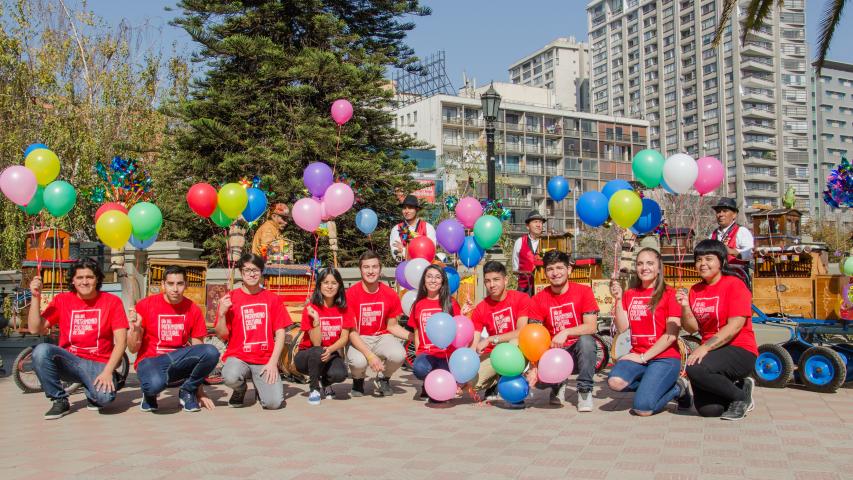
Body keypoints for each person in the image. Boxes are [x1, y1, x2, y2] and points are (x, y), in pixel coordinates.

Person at [27, 258, 128, 420]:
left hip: (98, 364)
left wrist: (108, 372)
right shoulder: (62, 300)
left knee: (104, 399)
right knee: (41, 351)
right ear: (73, 281)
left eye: (90, 277)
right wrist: (35, 297)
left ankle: (99, 385)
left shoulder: (112, 302)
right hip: (70, 361)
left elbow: (121, 341)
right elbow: (34, 328)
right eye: (80, 278)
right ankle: (59, 399)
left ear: (97, 279)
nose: (85, 282)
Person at [676, 239, 758, 421]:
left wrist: (705, 347)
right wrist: (685, 307)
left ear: (721, 261)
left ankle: (741, 397)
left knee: (694, 368)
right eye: (698, 259)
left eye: (709, 258)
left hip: (739, 348)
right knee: (710, 410)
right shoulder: (695, 290)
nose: (702, 263)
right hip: (713, 354)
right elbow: (692, 328)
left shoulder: (735, 284)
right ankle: (739, 386)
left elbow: (735, 325)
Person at [608, 248, 692, 416]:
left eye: (650, 263)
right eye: (640, 264)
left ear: (659, 268)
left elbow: (671, 336)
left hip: (665, 358)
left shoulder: (670, 294)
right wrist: (618, 299)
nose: (644, 268)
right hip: (639, 355)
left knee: (642, 408)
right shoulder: (630, 294)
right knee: (615, 382)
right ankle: (653, 384)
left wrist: (642, 357)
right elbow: (623, 327)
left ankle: (678, 389)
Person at [128, 265, 220, 413]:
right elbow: (132, 349)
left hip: (178, 361)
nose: (175, 289)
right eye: (170, 284)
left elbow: (199, 350)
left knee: (211, 352)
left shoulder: (193, 309)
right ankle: (149, 394)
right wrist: (135, 329)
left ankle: (187, 391)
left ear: (186, 285)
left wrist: (200, 392)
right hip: (151, 361)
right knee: (154, 384)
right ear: (163, 284)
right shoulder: (145, 305)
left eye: (180, 283)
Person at [527, 250, 599, 412]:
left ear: (569, 270)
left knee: (587, 340)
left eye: (560, 268)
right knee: (538, 381)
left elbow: (591, 326)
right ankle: (557, 384)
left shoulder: (584, 292)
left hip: (577, 350)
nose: (555, 273)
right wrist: (534, 367)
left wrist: (566, 332)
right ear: (545, 273)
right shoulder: (538, 299)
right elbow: (534, 336)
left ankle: (584, 391)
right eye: (550, 269)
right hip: (553, 352)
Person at [215, 254, 288, 410]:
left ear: (261, 272)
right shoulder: (231, 298)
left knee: (273, 403)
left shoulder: (273, 299)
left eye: (255, 270)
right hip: (239, 356)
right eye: (247, 270)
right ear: (241, 273)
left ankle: (260, 385)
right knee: (230, 376)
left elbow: (280, 333)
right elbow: (222, 334)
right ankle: (240, 389)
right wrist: (221, 313)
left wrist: (273, 363)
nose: (251, 274)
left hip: (264, 359)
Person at [346, 251, 408, 397]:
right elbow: (351, 332)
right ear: (360, 269)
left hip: (381, 337)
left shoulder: (390, 294)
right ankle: (358, 380)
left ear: (380, 269)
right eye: (366, 267)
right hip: (358, 337)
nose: (371, 271)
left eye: (374, 267)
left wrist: (414, 336)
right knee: (358, 362)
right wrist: (370, 356)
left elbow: (392, 326)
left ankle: (383, 378)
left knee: (399, 354)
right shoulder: (351, 294)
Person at [470, 261, 531, 408]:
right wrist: (466, 371)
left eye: (496, 279)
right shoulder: (481, 308)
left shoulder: (521, 298)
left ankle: (513, 385)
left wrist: (491, 339)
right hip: (495, 355)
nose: (492, 285)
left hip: (518, 350)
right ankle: (496, 379)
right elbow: (474, 341)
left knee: (513, 343)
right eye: (488, 281)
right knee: (472, 382)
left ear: (506, 280)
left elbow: (521, 331)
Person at [295, 268, 355, 405]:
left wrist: (330, 350)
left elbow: (344, 338)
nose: (329, 286)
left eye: (334, 283)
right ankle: (314, 389)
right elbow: (316, 343)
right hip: (307, 354)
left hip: (331, 352)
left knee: (340, 374)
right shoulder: (311, 308)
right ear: (319, 285)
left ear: (339, 285)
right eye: (325, 282)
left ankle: (326, 383)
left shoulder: (345, 308)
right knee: (318, 350)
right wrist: (316, 319)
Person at [408, 264, 461, 402]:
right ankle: (427, 383)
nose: (433, 280)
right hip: (427, 353)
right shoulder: (418, 304)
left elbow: (459, 331)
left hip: (446, 354)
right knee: (419, 369)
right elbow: (417, 331)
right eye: (429, 276)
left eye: (438, 277)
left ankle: (436, 385)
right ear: (424, 281)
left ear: (443, 282)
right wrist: (419, 354)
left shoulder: (451, 303)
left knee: (442, 391)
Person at [709, 197, 753, 287]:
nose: (720, 214)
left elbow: (750, 253)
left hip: (737, 278)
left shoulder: (741, 231)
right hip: (716, 279)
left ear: (734, 215)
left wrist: (731, 251)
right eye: (718, 212)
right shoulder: (712, 235)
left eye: (725, 211)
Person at [389, 194, 437, 261]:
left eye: (410, 208)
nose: (407, 211)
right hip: (404, 269)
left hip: (424, 269)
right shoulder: (396, 229)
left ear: (417, 209)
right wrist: (419, 252)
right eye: (404, 208)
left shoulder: (428, 228)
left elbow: (431, 253)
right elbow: (397, 258)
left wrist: (403, 250)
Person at [512, 211, 546, 296]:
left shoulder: (547, 241)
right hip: (524, 288)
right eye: (535, 222)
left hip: (544, 287)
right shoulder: (519, 242)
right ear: (527, 226)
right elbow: (515, 266)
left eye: (540, 222)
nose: (539, 225)